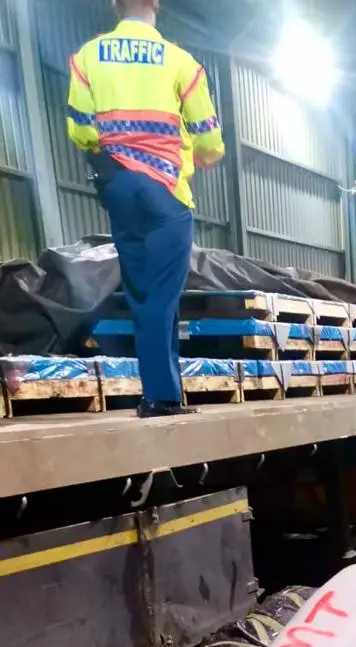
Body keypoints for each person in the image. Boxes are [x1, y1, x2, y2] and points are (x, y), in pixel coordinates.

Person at [67, 0, 225, 418]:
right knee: (162, 294)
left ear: (113, 4)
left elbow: (81, 130)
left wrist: (115, 154)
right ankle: (160, 397)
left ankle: (163, 391)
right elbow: (209, 139)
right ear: (156, 3)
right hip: (164, 190)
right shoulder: (180, 62)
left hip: (117, 184)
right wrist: (198, 159)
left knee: (144, 293)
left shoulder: (87, 57)